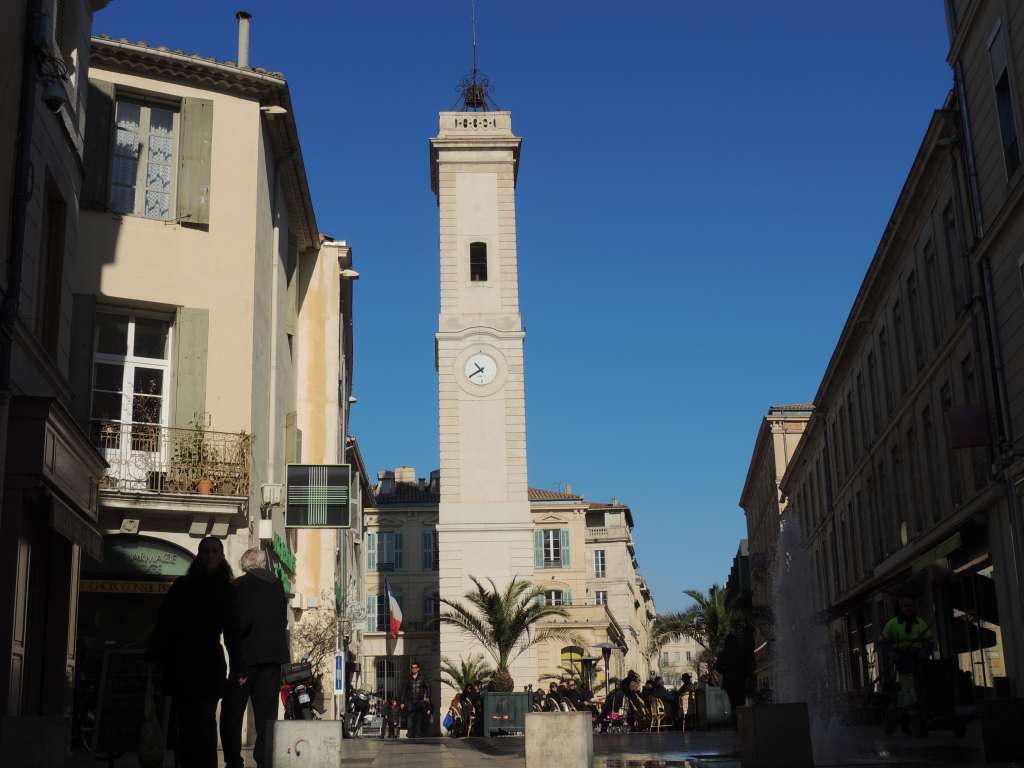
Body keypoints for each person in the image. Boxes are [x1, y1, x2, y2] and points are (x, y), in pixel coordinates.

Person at [148, 537, 241, 768]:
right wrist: (157, 658)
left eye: (215, 551)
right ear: (199, 555)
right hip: (183, 664)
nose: (210, 556)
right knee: (186, 723)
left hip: (207, 664)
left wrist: (239, 665)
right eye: (206, 551)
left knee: (205, 722)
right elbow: (165, 624)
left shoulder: (226, 590)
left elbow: (232, 631)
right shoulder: (182, 586)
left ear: (221, 557)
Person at [220, 548, 289, 768]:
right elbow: (282, 622)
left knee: (232, 712)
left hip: (246, 660)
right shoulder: (277, 585)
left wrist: (238, 664)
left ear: (245, 565)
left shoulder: (239, 586)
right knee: (266, 716)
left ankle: (233, 760)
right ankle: (264, 759)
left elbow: (238, 624)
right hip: (272, 660)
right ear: (263, 563)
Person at [880, 597, 934, 730]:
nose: (908, 608)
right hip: (902, 659)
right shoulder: (892, 624)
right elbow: (883, 642)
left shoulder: (921, 623)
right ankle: (908, 708)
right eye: (905, 606)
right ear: (901, 608)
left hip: (919, 658)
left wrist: (925, 652)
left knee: (923, 683)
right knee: (907, 686)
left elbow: (929, 642)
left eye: (910, 605)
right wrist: (891, 654)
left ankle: (921, 705)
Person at [402, 661, 431, 738]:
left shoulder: (422, 678)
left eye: (415, 667)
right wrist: (402, 702)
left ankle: (418, 733)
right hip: (410, 701)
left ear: (418, 669)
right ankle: (410, 733)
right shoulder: (408, 678)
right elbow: (404, 690)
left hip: (420, 701)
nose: (413, 669)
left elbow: (428, 687)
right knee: (410, 718)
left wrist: (428, 697)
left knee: (419, 717)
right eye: (412, 667)